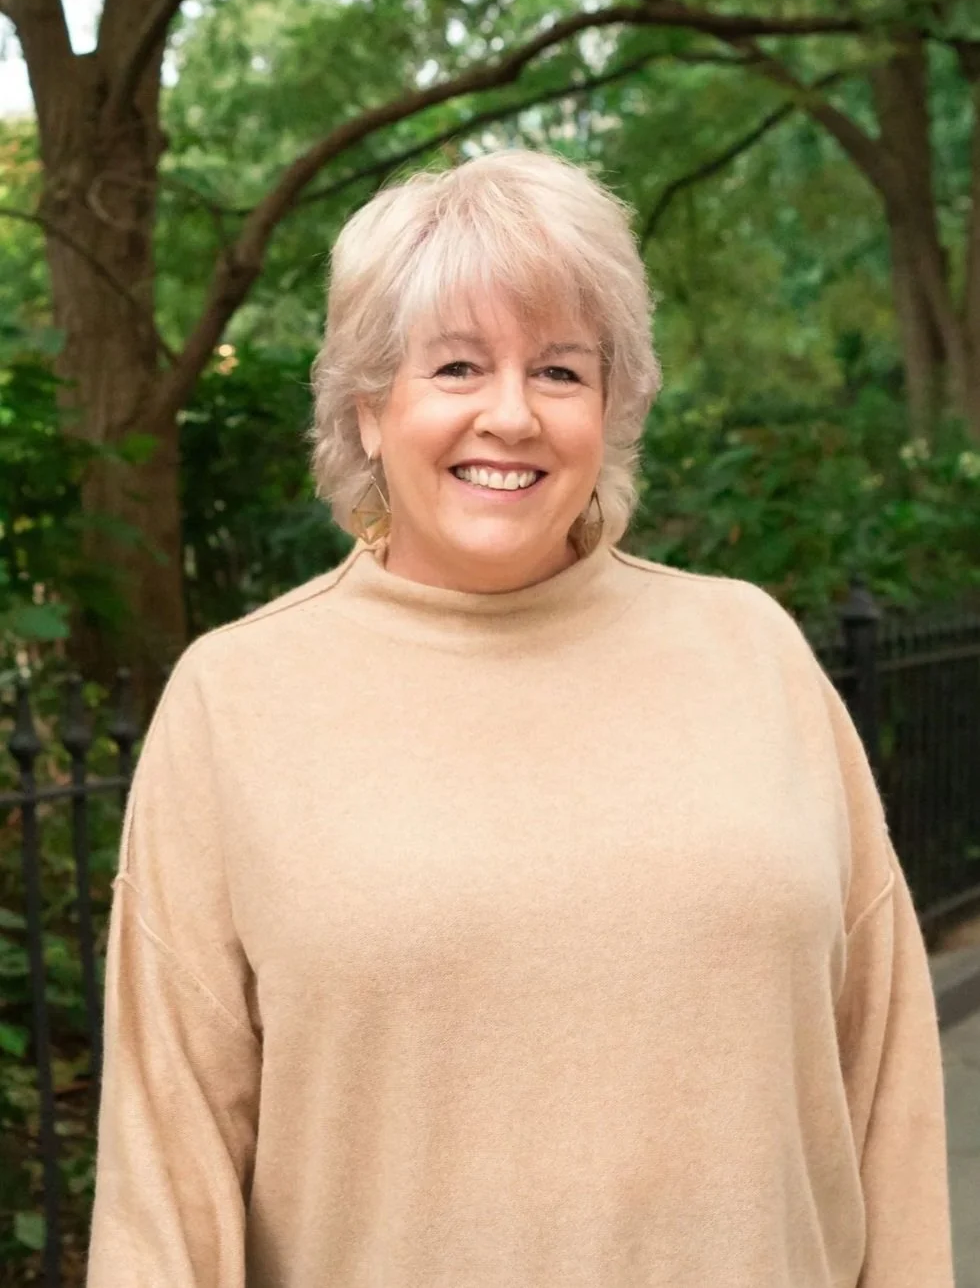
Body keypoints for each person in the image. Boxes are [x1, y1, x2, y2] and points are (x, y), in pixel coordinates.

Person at [86, 148, 954, 1287]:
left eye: (557, 370)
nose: (511, 415)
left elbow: (884, 1076)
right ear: (366, 402)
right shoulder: (236, 700)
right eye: (454, 365)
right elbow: (168, 1168)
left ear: (611, 402)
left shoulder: (750, 652)